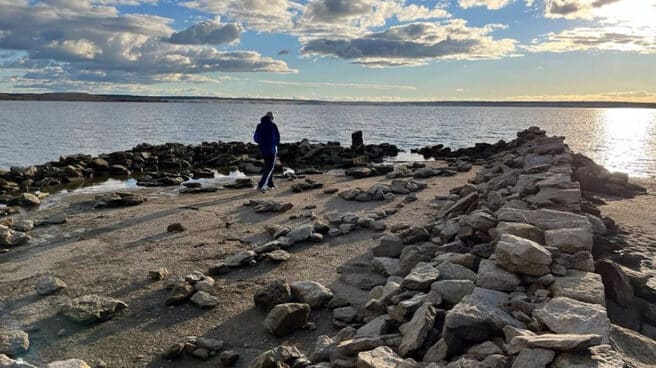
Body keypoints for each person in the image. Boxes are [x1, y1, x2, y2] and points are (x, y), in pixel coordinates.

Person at [253, 111, 280, 192]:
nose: (273, 119)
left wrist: (261, 143)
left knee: (268, 166)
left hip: (263, 149)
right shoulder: (273, 125)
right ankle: (261, 184)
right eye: (272, 117)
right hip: (271, 149)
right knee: (270, 167)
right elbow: (278, 137)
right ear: (271, 118)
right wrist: (274, 144)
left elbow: (256, 138)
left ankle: (270, 183)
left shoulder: (259, 125)